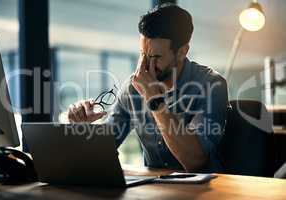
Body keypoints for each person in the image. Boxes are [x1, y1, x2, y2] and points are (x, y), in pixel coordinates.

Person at [67, 4, 229, 172]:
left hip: (204, 192)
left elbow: (196, 161)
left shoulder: (211, 85)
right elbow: (102, 152)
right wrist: (83, 130)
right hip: (153, 191)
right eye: (142, 54)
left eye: (155, 57)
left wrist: (154, 100)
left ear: (182, 52)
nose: (145, 65)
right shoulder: (133, 88)